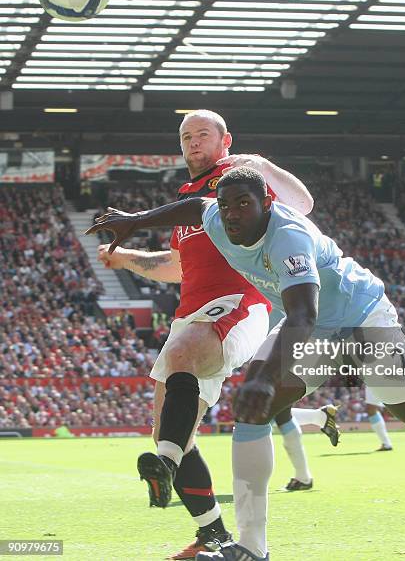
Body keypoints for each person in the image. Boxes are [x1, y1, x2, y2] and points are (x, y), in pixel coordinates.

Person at [87, 167, 405, 561]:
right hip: (317, 333)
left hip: (364, 323)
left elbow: (302, 316)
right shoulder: (217, 219)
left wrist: (262, 375)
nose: (233, 214)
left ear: (267, 205)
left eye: (244, 204)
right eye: (227, 205)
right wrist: (135, 220)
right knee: (253, 409)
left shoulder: (288, 236)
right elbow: (196, 206)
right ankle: (251, 547)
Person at [95, 109, 334, 560]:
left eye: (203, 134)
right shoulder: (187, 199)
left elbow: (303, 204)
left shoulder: (241, 184)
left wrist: (260, 164)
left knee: (182, 365)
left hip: (240, 305)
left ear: (226, 141)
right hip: (191, 313)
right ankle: (213, 534)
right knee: (171, 429)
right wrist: (125, 257)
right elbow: (178, 266)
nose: (193, 142)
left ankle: (167, 465)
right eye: (186, 136)